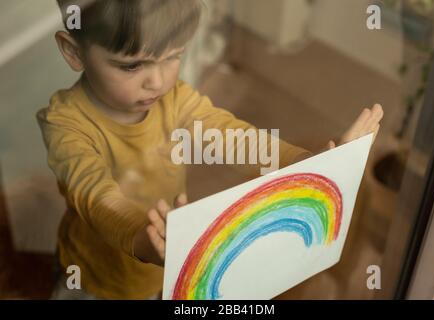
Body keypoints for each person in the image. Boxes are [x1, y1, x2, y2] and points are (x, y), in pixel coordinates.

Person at [37, 0, 384, 300]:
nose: (157, 81)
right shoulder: (65, 123)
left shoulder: (174, 100)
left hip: (165, 262)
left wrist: (304, 163)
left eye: (172, 57)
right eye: (131, 65)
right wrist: (138, 237)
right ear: (74, 51)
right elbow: (94, 194)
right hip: (95, 279)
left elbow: (233, 138)